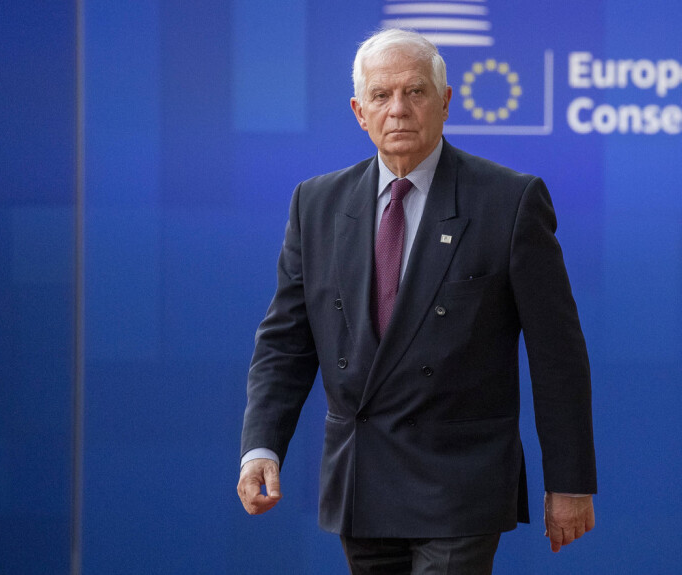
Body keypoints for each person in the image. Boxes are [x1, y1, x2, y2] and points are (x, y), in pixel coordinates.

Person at [237, 28, 596, 574]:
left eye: (416, 92)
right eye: (382, 96)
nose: (398, 110)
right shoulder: (316, 204)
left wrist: (569, 482)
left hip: (461, 480)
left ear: (446, 102)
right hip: (361, 476)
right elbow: (286, 343)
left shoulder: (509, 201)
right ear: (360, 111)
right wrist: (261, 446)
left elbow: (557, 355)